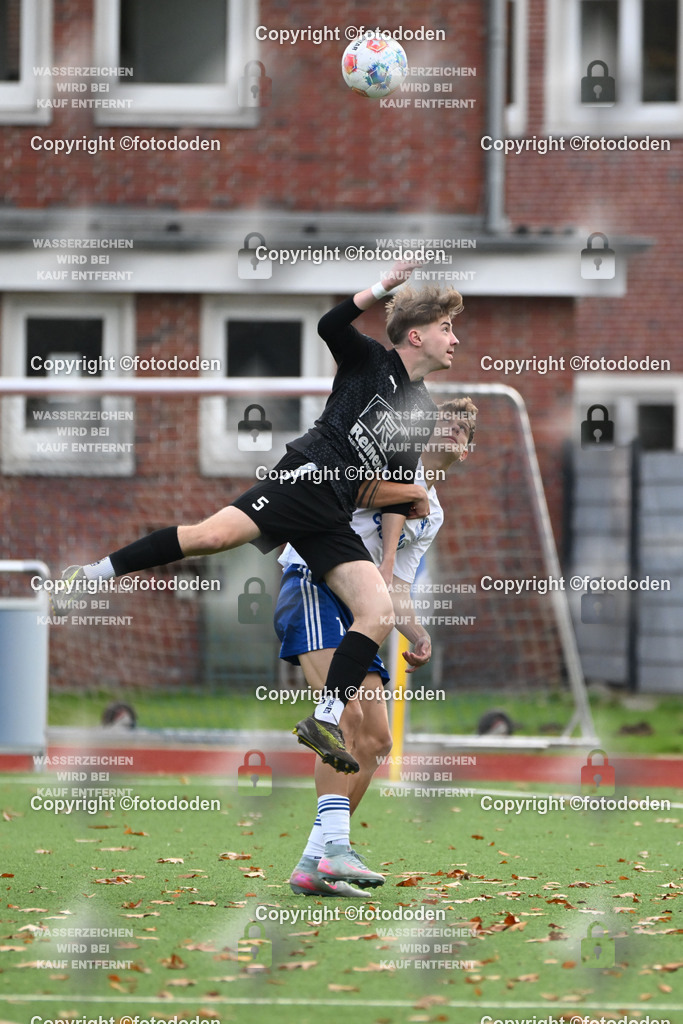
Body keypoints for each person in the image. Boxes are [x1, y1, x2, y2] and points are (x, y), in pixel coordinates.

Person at [61, 261, 464, 771]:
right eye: (446, 327)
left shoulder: (422, 411)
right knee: (210, 537)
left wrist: (413, 501)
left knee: (379, 611)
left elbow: (393, 486)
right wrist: (382, 286)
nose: (454, 339)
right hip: (302, 482)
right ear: (416, 334)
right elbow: (328, 326)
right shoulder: (369, 360)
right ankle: (92, 574)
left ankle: (323, 716)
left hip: (333, 514)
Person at [276, 399, 478, 896]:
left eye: (464, 431)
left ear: (468, 452)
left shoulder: (433, 514)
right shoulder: (386, 468)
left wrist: (420, 634)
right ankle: (339, 850)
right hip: (315, 582)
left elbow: (399, 589)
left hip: (366, 612)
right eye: (447, 423)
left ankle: (314, 861)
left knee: (376, 741)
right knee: (344, 722)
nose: (454, 432)